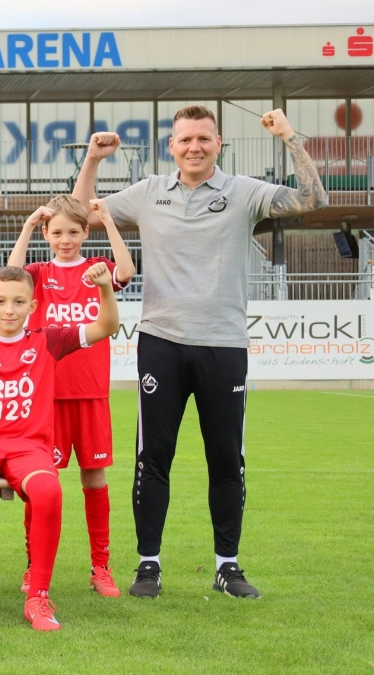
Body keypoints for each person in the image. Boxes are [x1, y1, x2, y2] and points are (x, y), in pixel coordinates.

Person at [73, 106, 327, 599]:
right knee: (153, 458)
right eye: (185, 139)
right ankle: (148, 566)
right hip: (161, 342)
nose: (195, 147)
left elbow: (313, 198)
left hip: (223, 344)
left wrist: (289, 137)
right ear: (172, 146)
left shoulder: (244, 192)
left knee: (226, 460)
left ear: (218, 144)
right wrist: (92, 160)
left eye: (204, 139)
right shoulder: (149, 192)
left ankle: (227, 567)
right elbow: (80, 214)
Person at [0, 264, 119, 631]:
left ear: (33, 306)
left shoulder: (48, 339)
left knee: (49, 491)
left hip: (29, 447)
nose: (9, 310)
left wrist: (104, 289)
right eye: (1, 301)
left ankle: (38, 598)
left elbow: (107, 326)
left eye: (19, 302)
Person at [7, 195, 134, 597]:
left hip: (91, 393)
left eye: (74, 232)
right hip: (46, 396)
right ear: (47, 234)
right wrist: (28, 226)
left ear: (85, 233)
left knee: (94, 477)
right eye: (57, 232)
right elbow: (10, 275)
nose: (65, 240)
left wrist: (109, 220)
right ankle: (34, 567)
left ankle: (101, 567)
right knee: (41, 481)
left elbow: (127, 271)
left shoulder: (96, 269)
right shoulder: (38, 273)